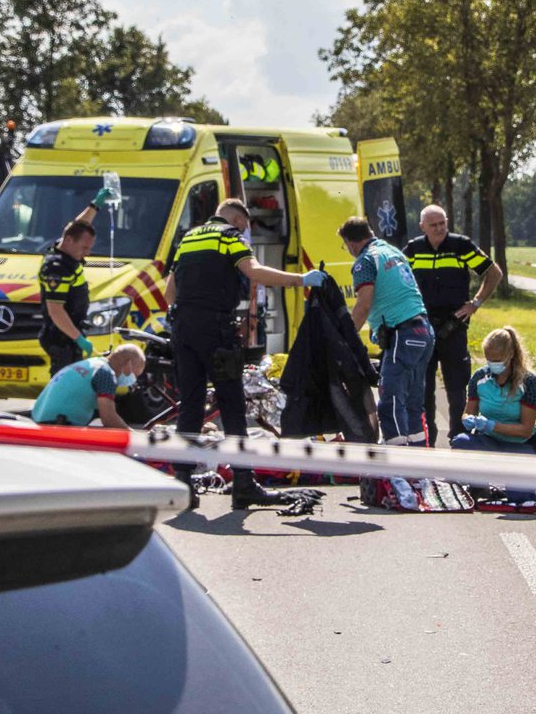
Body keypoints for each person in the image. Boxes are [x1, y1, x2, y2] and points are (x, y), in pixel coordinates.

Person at [164, 199, 328, 509]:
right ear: (239, 220)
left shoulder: (189, 237)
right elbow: (254, 272)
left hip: (183, 329)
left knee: (191, 405)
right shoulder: (230, 236)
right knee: (232, 404)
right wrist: (300, 280)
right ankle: (243, 482)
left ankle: (183, 482)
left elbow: (169, 293)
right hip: (216, 329)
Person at [403, 204, 504, 446]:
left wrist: (475, 303)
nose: (439, 229)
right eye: (433, 225)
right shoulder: (414, 249)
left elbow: (494, 273)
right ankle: (427, 441)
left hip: (454, 327)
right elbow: (397, 277)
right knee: (423, 389)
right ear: (422, 227)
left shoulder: (461, 245)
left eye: (442, 223)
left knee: (458, 389)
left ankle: (460, 440)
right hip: (423, 328)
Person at [343, 216, 434, 446]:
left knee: (390, 401)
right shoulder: (392, 251)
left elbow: (363, 305)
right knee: (413, 402)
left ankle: (396, 458)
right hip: (423, 330)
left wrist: (345, 339)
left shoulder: (365, 261)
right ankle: (418, 455)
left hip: (402, 333)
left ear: (350, 243)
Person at [452, 327, 536, 504]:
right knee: (461, 442)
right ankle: (479, 485)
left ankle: (520, 482)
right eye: (489, 360)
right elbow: (468, 411)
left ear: (511, 355)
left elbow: (526, 430)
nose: (493, 364)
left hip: (519, 446)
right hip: (489, 442)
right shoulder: (479, 377)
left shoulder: (529, 382)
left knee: (522, 499)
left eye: (497, 360)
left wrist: (491, 425)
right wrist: (468, 420)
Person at [38, 186, 115, 375]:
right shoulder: (57, 268)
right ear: (69, 242)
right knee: (63, 383)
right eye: (84, 248)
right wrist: (78, 339)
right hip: (62, 338)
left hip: (69, 335)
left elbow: (76, 228)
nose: (87, 253)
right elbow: (56, 310)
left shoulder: (63, 247)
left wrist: (95, 206)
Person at [31, 344, 146, 429]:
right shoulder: (106, 374)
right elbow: (109, 420)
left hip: (39, 421)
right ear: (128, 364)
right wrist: (136, 437)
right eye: (135, 375)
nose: (134, 380)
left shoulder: (92, 365)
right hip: (58, 425)